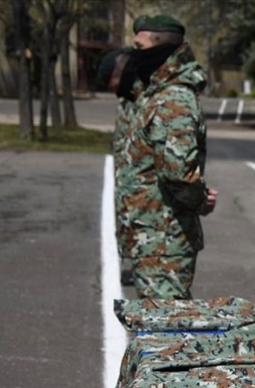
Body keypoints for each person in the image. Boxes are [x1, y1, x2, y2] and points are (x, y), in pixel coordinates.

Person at [122, 15, 217, 299]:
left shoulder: (174, 99)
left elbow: (178, 172)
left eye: (140, 46)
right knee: (157, 327)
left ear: (161, 48)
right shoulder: (159, 94)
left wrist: (200, 200)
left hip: (165, 239)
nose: (134, 53)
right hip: (153, 236)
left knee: (164, 328)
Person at [97, 47, 138, 286]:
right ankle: (133, 263)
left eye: (111, 81)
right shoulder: (126, 101)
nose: (110, 87)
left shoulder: (143, 102)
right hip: (127, 181)